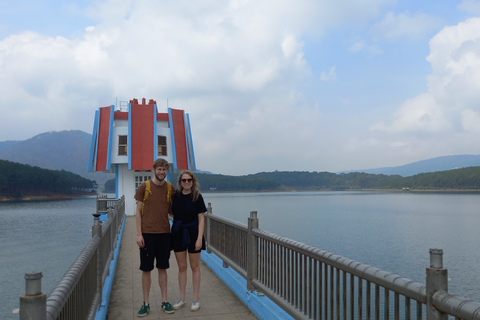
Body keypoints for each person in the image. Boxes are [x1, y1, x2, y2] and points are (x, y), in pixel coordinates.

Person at [134, 158, 176, 317]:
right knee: (146, 269)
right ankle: (146, 303)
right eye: (159, 169)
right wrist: (139, 234)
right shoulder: (144, 187)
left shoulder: (170, 188)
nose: (162, 172)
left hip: (165, 233)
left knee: (163, 267)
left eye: (164, 170)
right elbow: (138, 211)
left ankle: (164, 301)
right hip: (147, 234)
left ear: (167, 171)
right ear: (154, 170)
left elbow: (174, 209)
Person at [170, 170, 207, 312]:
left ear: (193, 181)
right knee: (181, 267)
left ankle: (195, 299)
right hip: (178, 232)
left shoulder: (197, 197)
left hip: (193, 233)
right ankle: (182, 298)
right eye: (183, 180)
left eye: (189, 180)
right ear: (180, 182)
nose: (186, 182)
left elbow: (201, 219)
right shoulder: (176, 196)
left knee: (194, 267)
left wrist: (199, 238)